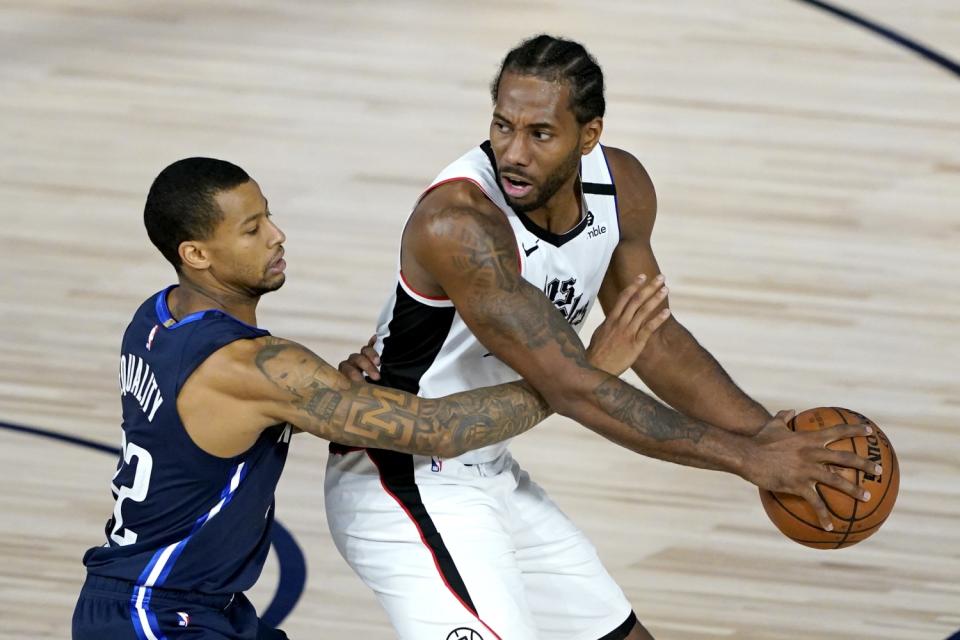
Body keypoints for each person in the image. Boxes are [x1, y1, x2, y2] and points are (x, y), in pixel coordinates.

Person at [326, 34, 882, 640]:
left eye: (540, 134)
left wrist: (766, 431)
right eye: (502, 126)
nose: (513, 152)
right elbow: (578, 389)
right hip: (401, 476)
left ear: (588, 135)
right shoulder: (460, 224)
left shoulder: (622, 187)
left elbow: (655, 339)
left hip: (486, 464)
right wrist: (750, 460)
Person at [71, 157, 668, 640]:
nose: (277, 235)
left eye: (268, 216)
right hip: (156, 616)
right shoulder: (253, 367)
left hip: (176, 602)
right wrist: (579, 377)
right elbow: (434, 429)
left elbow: (214, 424)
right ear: (194, 254)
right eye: (252, 230)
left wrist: (321, 395)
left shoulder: (155, 320)